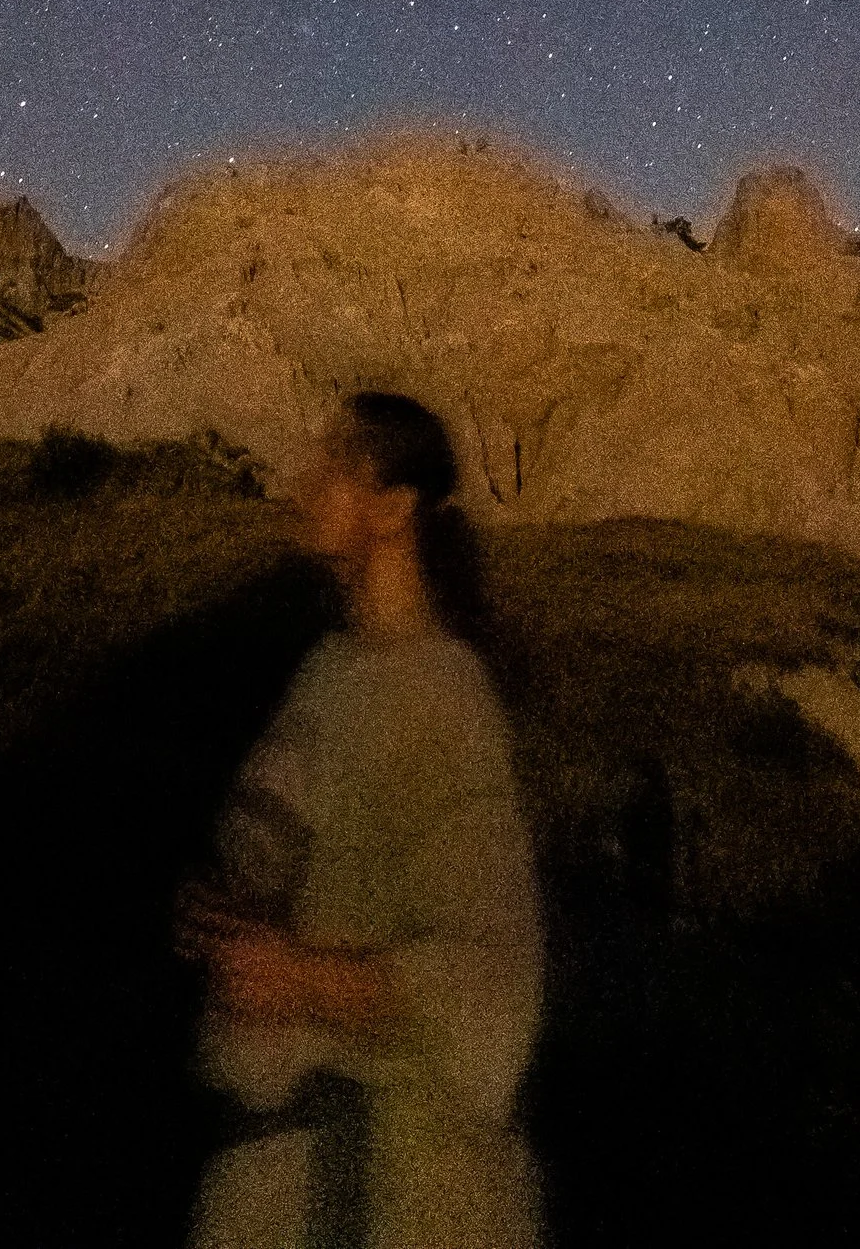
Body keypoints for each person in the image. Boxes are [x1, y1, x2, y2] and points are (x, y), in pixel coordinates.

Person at [177, 392, 546, 1249]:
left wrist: (298, 974)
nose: (307, 483)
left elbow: (488, 977)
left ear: (393, 505)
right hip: (287, 1173)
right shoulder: (327, 673)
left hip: (389, 1190)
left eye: (338, 464)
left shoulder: (443, 694)